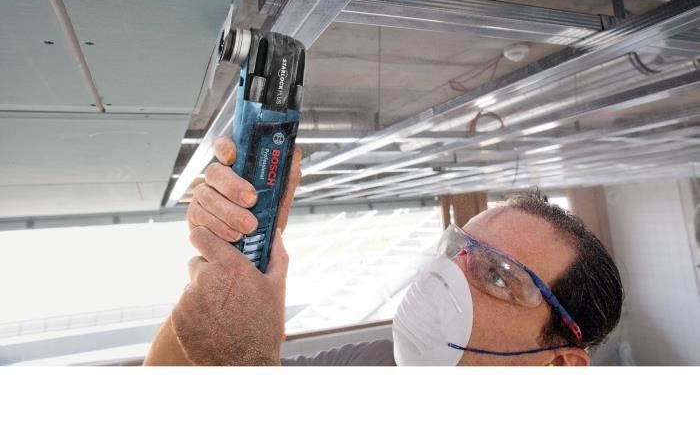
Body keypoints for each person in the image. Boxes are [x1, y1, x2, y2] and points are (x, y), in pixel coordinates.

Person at [144, 137, 624, 367]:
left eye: (498, 275)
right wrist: (238, 256)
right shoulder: (377, 364)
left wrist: (244, 368)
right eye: (456, 249)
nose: (447, 274)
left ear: (558, 366)